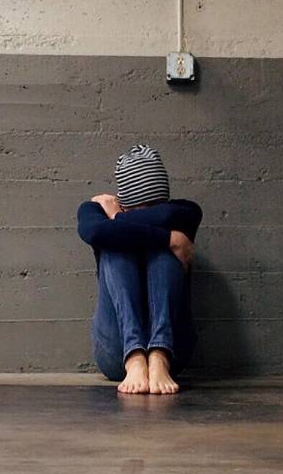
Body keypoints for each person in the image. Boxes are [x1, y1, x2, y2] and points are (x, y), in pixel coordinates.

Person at [77, 145, 202, 394]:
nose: (150, 214)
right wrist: (170, 238)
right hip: (116, 353)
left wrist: (118, 218)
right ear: (124, 203)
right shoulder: (93, 212)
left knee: (162, 251)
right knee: (115, 245)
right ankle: (134, 357)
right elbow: (95, 232)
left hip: (173, 350)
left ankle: (158, 354)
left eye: (155, 208)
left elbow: (166, 216)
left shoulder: (184, 212)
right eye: (140, 209)